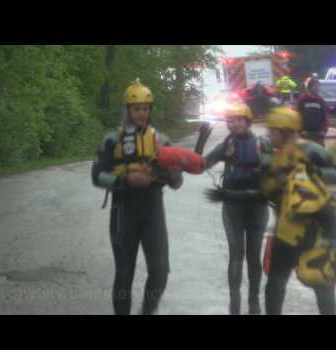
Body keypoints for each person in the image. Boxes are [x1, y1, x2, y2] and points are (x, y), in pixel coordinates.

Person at [91, 79, 183, 315]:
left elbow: (176, 183)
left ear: (150, 110)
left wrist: (174, 175)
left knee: (160, 270)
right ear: (127, 110)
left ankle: (147, 310)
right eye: (136, 109)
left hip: (152, 210)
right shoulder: (112, 139)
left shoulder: (162, 140)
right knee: (124, 272)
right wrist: (125, 180)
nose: (141, 113)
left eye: (145, 108)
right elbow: (96, 175)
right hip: (124, 210)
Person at [261, 106, 336, 315]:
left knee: (322, 283)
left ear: (286, 131)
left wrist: (313, 173)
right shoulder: (277, 156)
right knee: (274, 283)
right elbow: (268, 190)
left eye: (272, 131)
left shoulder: (311, 150)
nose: (268, 135)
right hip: (285, 230)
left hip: (314, 231)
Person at [201, 102, 271, 315]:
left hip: (257, 206)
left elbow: (275, 175)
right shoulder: (226, 145)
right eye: (231, 119)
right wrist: (201, 140)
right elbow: (200, 164)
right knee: (236, 254)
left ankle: (253, 301)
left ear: (248, 121)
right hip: (232, 205)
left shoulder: (262, 143)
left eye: (239, 119)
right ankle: (234, 304)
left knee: (253, 254)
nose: (234, 123)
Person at [298, 76, 329, 146]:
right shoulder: (302, 100)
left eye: (318, 87)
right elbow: (298, 116)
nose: (318, 89)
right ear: (310, 87)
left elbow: (325, 117)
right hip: (305, 134)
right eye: (316, 87)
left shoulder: (321, 101)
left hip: (318, 135)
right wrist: (300, 130)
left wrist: (324, 130)